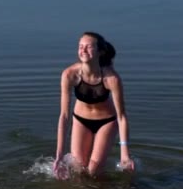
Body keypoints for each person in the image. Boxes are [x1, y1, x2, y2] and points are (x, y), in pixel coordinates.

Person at [54, 31, 135, 178]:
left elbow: (122, 117)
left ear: (100, 52)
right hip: (80, 120)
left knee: (93, 170)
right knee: (78, 170)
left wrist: (125, 155)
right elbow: (64, 116)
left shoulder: (111, 78)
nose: (83, 50)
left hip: (106, 121)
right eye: (80, 46)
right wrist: (59, 155)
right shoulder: (69, 74)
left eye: (89, 46)